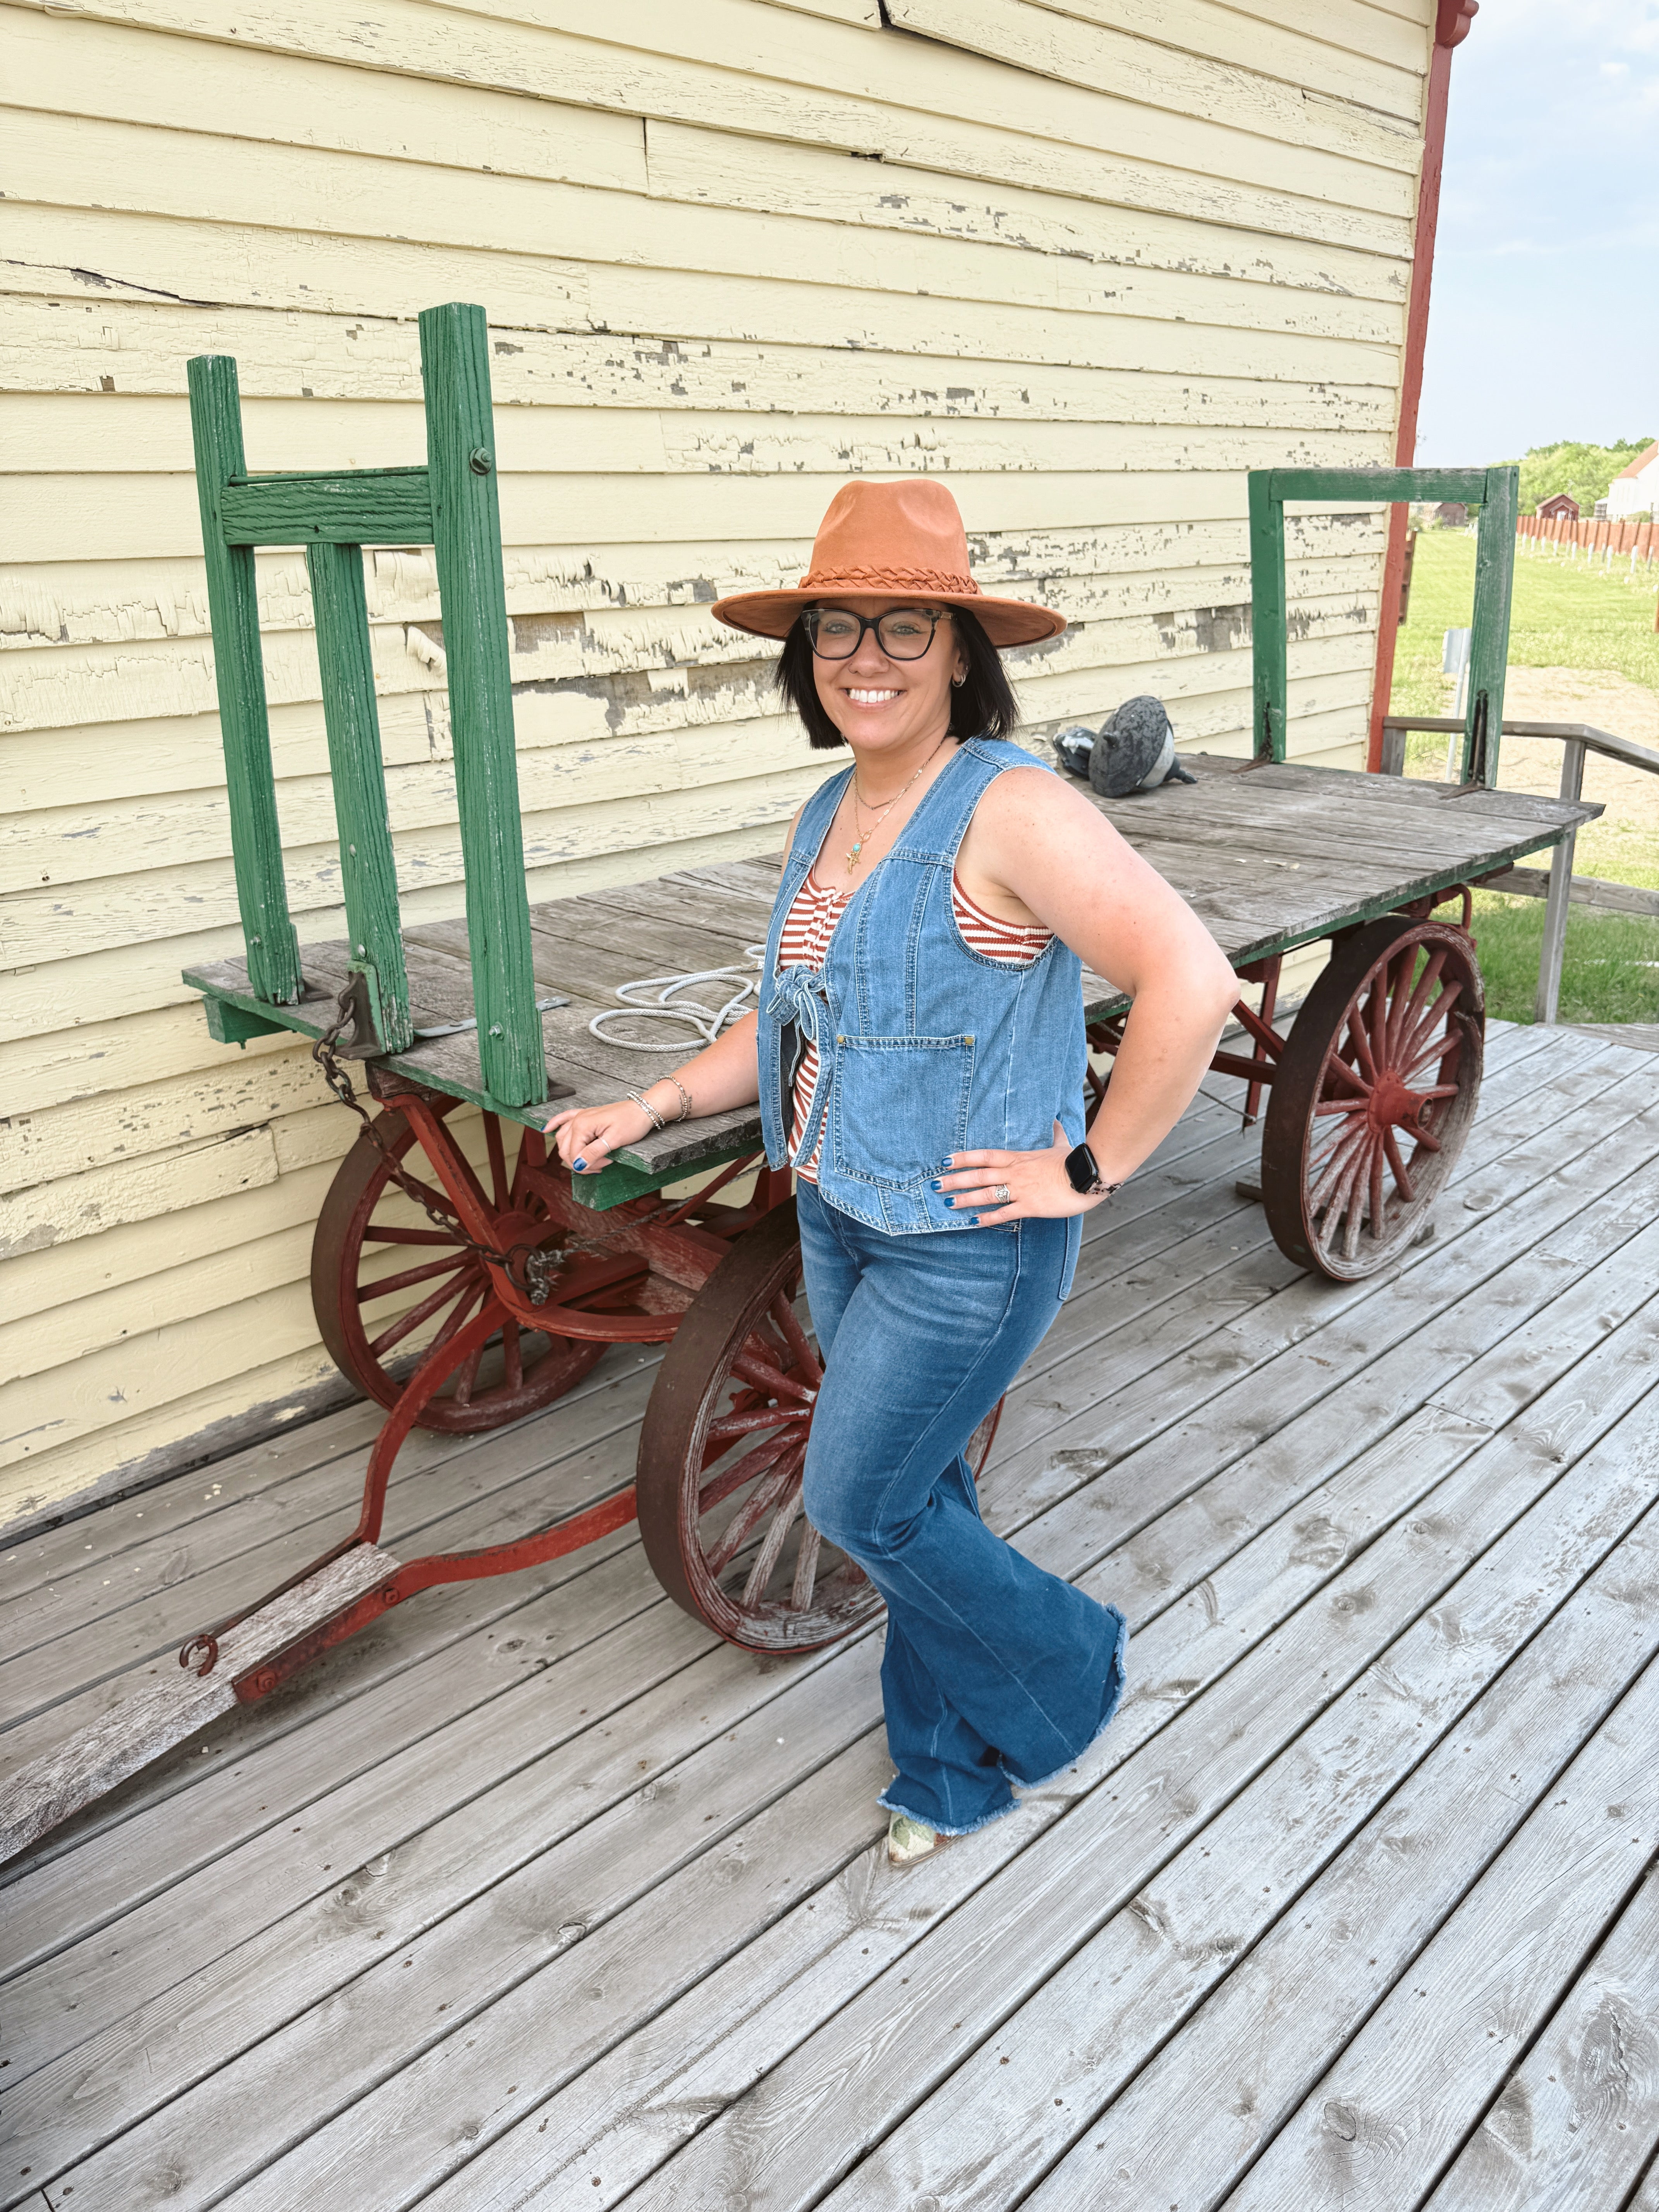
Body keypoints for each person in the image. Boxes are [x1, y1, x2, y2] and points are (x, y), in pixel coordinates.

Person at [548, 479, 1241, 1867]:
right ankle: (945, 1770)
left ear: (961, 654)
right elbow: (796, 1008)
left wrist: (1089, 1167)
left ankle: (1065, 1665)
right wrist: (661, 1098)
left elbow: (1193, 979)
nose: (864, 656)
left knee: (864, 1501)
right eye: (835, 629)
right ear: (804, 657)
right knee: (925, 1489)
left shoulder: (1013, 811)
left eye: (904, 628)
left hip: (966, 1245)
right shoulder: (833, 809)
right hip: (840, 1213)